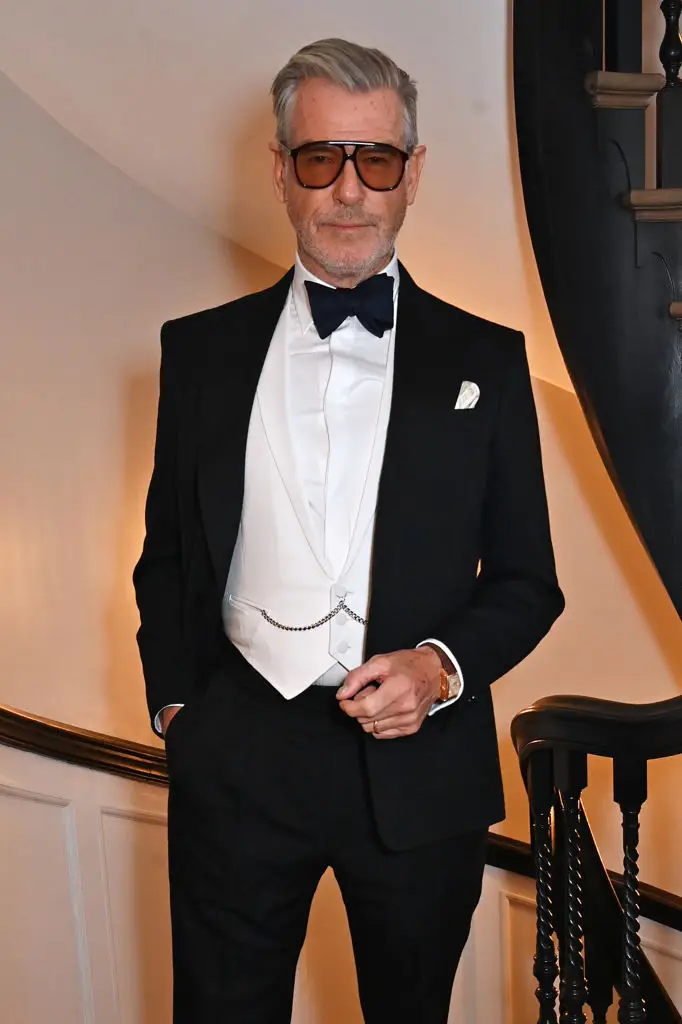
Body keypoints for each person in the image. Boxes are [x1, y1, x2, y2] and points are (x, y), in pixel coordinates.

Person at [134, 37, 564, 1024]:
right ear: (281, 171)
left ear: (411, 174)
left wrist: (439, 667)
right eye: (321, 158)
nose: (348, 192)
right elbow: (168, 556)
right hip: (237, 757)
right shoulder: (196, 353)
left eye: (376, 161)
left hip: (420, 769)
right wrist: (177, 712)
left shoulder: (488, 360)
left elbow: (525, 579)